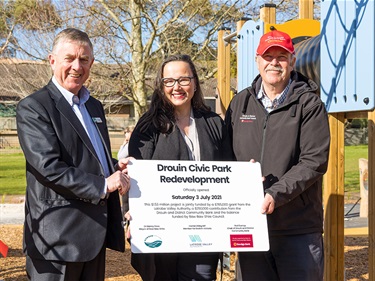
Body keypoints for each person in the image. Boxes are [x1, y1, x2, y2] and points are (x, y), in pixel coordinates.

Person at [16, 28, 130, 281]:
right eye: (69, 58)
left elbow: (89, 155)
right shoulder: (34, 107)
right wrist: (103, 183)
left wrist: (114, 166)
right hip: (57, 241)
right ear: (52, 60)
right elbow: (48, 167)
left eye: (84, 59)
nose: (77, 66)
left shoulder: (94, 105)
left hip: (94, 237)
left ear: (92, 63)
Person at [225, 30, 330, 280]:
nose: (274, 62)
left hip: (297, 229)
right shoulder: (240, 104)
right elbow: (224, 156)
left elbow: (314, 161)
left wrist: (275, 193)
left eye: (281, 56)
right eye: (267, 56)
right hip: (250, 225)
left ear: (292, 61)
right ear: (257, 60)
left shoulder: (310, 104)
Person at [128, 54, 233, 281]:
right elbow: (134, 175)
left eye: (183, 80)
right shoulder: (148, 127)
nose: (177, 87)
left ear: (194, 83)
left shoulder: (214, 123)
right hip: (162, 230)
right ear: (161, 86)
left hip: (204, 230)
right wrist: (131, 213)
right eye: (169, 81)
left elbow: (229, 169)